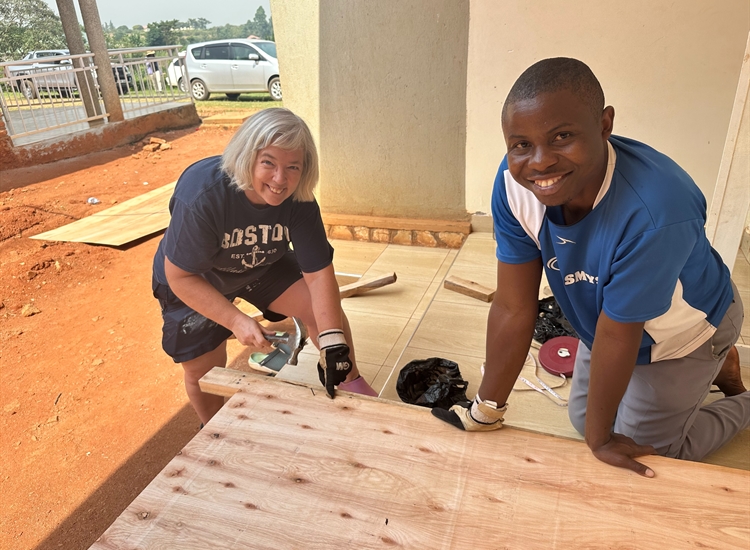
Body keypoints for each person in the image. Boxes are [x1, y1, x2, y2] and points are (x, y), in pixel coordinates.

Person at [434, 58, 748, 477]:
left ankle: (730, 384)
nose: (540, 163)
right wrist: (486, 409)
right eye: (521, 144)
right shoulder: (514, 186)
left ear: (604, 125)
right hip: (608, 326)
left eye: (562, 136)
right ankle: (719, 366)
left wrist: (602, 442)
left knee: (655, 451)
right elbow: (512, 307)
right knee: (585, 421)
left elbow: (621, 334)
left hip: (684, 333)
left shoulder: (655, 211)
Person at [152, 108, 377, 426]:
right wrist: (235, 321)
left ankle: (351, 381)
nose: (280, 179)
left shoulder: (299, 201)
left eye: (293, 167)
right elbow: (180, 276)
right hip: (197, 277)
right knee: (205, 368)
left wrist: (332, 341)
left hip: (260, 263)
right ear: (247, 157)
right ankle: (214, 430)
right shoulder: (203, 194)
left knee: (323, 312)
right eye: (269, 162)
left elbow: (319, 276)